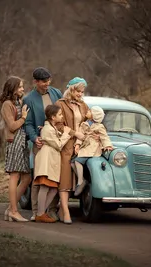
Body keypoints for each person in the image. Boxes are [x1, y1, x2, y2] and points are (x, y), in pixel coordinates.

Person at [23, 67, 63, 221]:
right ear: (35, 82)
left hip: (55, 141)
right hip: (40, 143)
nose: (47, 84)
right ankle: (36, 212)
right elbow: (28, 123)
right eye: (44, 82)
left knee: (54, 178)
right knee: (39, 178)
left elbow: (61, 114)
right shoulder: (29, 99)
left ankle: (51, 210)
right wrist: (34, 138)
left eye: (48, 81)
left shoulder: (56, 93)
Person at [55, 77, 90, 224]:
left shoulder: (83, 105)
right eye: (78, 91)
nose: (81, 94)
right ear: (71, 89)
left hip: (80, 146)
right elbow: (58, 124)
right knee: (65, 179)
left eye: (82, 92)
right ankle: (66, 211)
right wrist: (75, 134)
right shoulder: (60, 104)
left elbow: (86, 124)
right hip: (65, 146)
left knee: (75, 180)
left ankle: (61, 210)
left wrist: (80, 139)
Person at [33, 105, 73, 223]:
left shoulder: (51, 128)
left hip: (51, 162)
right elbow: (59, 145)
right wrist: (66, 133)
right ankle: (40, 214)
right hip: (46, 161)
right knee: (45, 186)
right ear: (53, 117)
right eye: (59, 115)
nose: (62, 116)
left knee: (53, 188)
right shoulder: (48, 129)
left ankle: (41, 212)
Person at [0, 76, 31, 222]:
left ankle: (10, 208)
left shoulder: (18, 102)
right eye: (19, 87)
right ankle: (13, 210)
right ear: (12, 88)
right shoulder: (7, 104)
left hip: (23, 143)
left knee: (26, 178)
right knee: (15, 176)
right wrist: (24, 118)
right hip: (14, 143)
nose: (22, 89)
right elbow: (12, 126)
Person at [73, 106, 114, 196]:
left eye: (89, 111)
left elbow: (104, 137)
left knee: (77, 161)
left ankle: (80, 181)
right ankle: (82, 179)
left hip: (93, 148)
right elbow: (80, 136)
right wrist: (77, 144)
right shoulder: (84, 124)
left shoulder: (99, 126)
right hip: (85, 146)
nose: (87, 112)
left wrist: (107, 145)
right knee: (72, 162)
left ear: (94, 115)